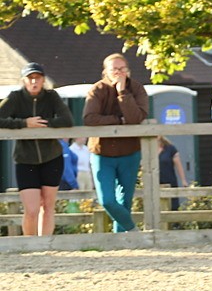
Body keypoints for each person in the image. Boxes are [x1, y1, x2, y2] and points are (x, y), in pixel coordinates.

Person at [0, 63, 74, 235]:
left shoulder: (51, 96)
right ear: (24, 81)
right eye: (30, 78)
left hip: (51, 157)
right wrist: (24, 123)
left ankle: (45, 245)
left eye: (37, 78)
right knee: (31, 209)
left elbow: (67, 119)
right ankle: (30, 245)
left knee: (48, 206)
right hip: (25, 159)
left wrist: (43, 123)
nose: (34, 81)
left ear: (43, 80)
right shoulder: (15, 97)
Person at [83, 54, 149, 233]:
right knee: (107, 200)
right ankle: (132, 230)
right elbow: (89, 118)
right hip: (102, 152)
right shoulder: (97, 89)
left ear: (128, 71)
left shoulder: (136, 89)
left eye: (122, 69)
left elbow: (136, 118)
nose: (119, 73)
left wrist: (122, 92)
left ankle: (121, 240)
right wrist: (118, 121)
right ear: (106, 72)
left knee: (125, 200)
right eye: (114, 69)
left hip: (130, 152)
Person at [157, 136, 189, 212]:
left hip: (169, 181)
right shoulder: (148, 149)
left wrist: (183, 180)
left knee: (173, 207)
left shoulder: (170, 148)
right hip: (155, 183)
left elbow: (179, 165)